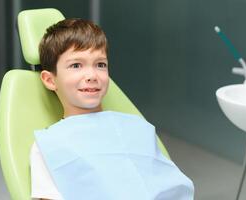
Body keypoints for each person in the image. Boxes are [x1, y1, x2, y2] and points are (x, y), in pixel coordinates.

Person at [30, 18, 194, 200]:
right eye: (76, 65)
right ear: (50, 80)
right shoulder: (49, 145)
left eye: (100, 64)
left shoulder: (137, 128)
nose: (92, 75)